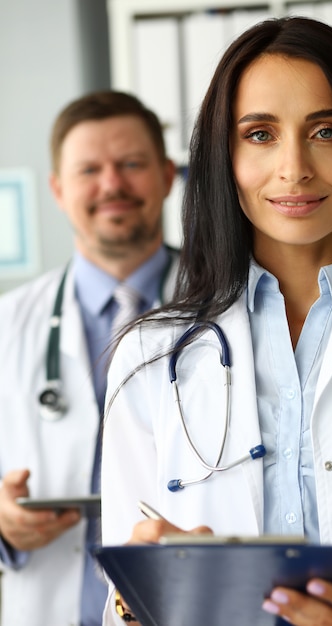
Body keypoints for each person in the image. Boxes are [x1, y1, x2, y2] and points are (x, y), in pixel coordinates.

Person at [100, 16, 332, 626]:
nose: (294, 168)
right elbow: (123, 598)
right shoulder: (149, 359)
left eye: (326, 131)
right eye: (261, 135)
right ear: (224, 155)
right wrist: (133, 601)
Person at [0, 90, 177, 626]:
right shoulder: (7, 325)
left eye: (131, 164)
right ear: (57, 189)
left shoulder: (236, 311)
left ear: (169, 176)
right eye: (88, 170)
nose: (111, 185)